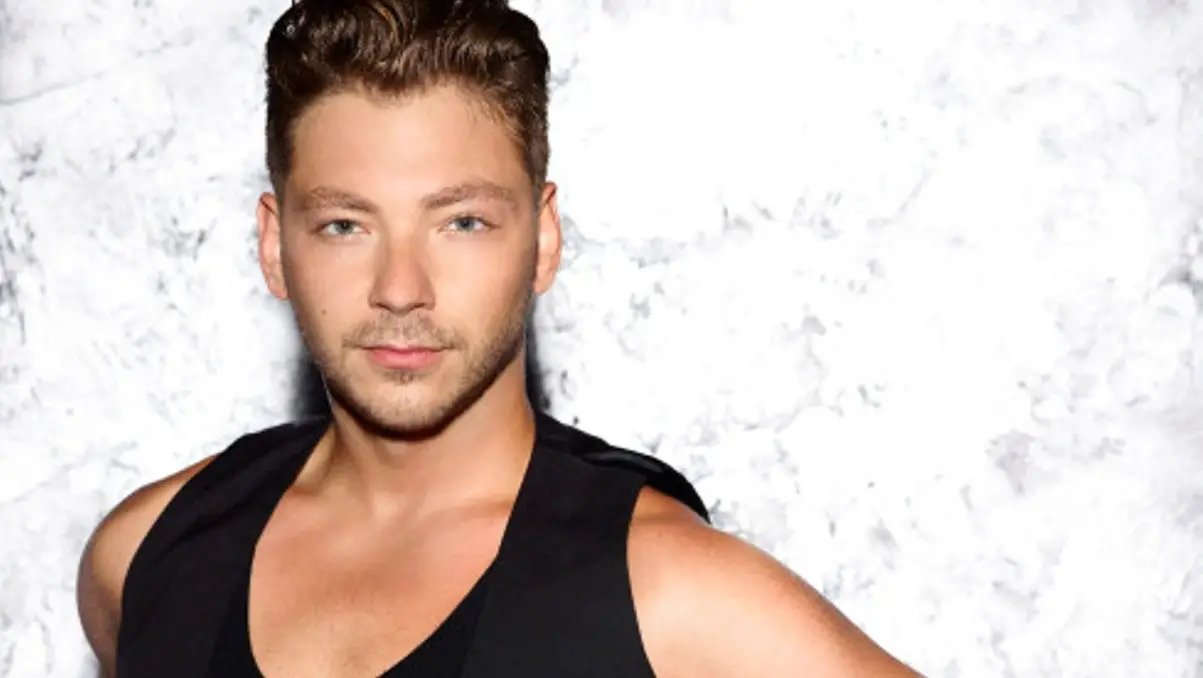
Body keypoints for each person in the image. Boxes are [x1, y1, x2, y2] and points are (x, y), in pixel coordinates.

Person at [76, 1, 923, 676]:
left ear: (543, 240)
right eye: (344, 225)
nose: (400, 288)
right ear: (273, 246)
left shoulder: (671, 593)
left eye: (463, 222)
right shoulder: (144, 555)